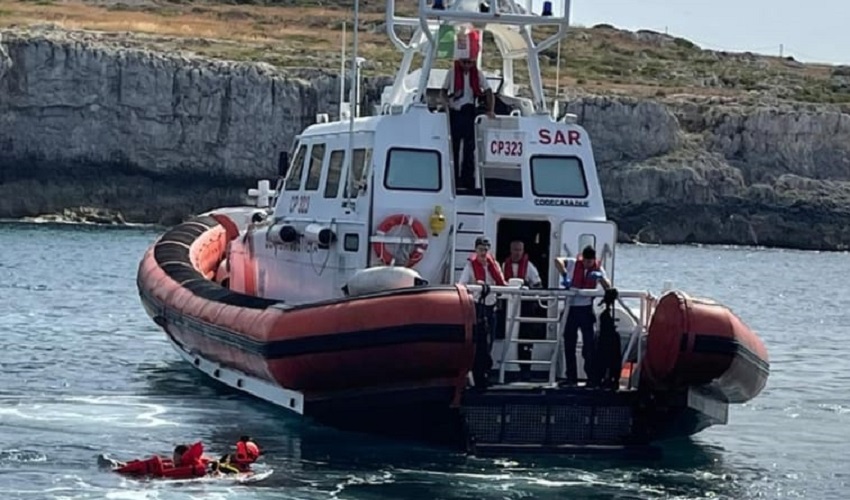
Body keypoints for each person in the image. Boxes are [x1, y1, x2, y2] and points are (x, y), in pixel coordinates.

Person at [441, 27, 495, 191]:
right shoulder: (452, 73)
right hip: (456, 113)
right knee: (454, 148)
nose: (467, 65)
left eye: (470, 62)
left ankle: (468, 181)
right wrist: (446, 104)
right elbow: (443, 91)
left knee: (470, 149)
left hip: (470, 112)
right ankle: (453, 179)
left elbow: (488, 91)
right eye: (464, 62)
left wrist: (490, 110)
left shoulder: (477, 74)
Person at [554, 245, 615, 388]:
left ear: (594, 260)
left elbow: (608, 285)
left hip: (586, 310)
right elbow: (557, 260)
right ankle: (571, 377)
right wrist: (564, 274)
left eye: (590, 262)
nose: (587, 264)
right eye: (586, 261)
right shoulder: (574, 263)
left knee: (589, 345)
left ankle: (592, 378)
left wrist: (600, 278)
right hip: (571, 309)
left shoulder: (598, 269)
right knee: (569, 344)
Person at [458, 236, 506, 388]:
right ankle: (478, 373)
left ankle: (486, 370)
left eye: (485, 250)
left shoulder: (494, 265)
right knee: (480, 342)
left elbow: (501, 282)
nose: (483, 253)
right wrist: (477, 286)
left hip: (491, 306)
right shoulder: (470, 266)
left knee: (489, 340)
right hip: (477, 307)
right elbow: (462, 283)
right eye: (480, 249)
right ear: (475, 250)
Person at [501, 240, 544, 380]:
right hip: (508, 305)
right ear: (510, 250)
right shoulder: (503, 266)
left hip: (525, 307)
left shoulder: (529, 267)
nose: (517, 253)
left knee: (526, 337)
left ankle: (525, 369)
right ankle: (504, 366)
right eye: (515, 250)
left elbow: (538, 284)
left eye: (520, 250)